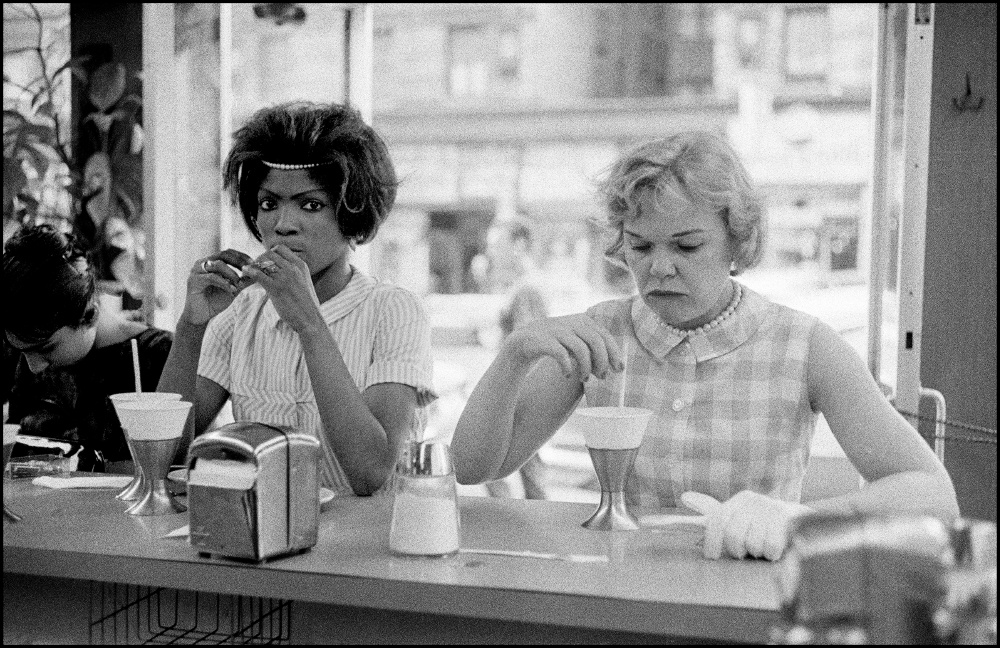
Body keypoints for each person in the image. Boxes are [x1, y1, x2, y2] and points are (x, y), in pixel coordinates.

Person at [451, 132, 959, 561]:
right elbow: (476, 468)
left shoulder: (804, 346)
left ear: (737, 241)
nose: (660, 267)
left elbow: (933, 496)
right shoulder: (602, 334)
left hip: (751, 603)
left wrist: (796, 518)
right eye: (640, 246)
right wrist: (514, 357)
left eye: (687, 245)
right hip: (622, 598)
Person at [157, 101, 435, 497]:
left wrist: (309, 323)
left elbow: (370, 472)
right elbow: (167, 457)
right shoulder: (239, 312)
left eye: (311, 205)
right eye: (268, 204)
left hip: (368, 549)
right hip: (260, 539)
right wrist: (190, 328)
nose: (283, 225)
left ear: (352, 213)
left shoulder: (394, 311)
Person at [3, 224, 173, 471]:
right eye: (22, 351)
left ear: (86, 309)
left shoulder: (158, 355)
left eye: (46, 348)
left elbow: (170, 470)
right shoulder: (28, 348)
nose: (34, 366)